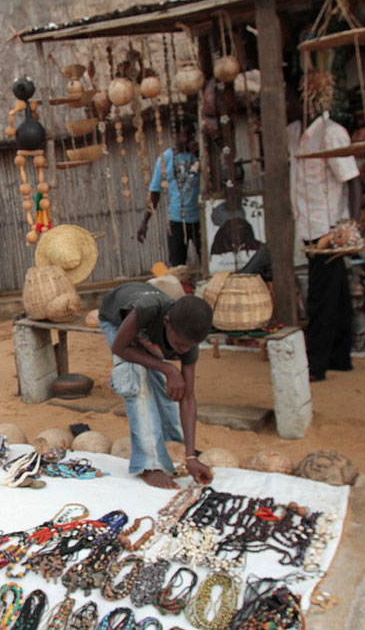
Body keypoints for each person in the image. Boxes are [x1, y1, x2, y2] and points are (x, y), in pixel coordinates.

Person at [98, 284, 214, 489]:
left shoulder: (186, 336)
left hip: (147, 327)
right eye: (179, 346)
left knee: (173, 386)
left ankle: (171, 445)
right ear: (167, 322)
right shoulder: (147, 309)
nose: (184, 350)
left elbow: (188, 397)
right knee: (136, 376)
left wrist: (190, 455)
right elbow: (120, 347)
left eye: (189, 347)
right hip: (117, 320)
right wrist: (168, 369)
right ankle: (149, 465)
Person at [286, 80, 361, 381]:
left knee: (320, 297)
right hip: (308, 226)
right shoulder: (294, 134)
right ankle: (340, 357)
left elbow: (352, 180)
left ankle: (316, 364)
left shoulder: (331, 133)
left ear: (306, 101)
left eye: (288, 99)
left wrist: (352, 225)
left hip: (329, 229)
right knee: (337, 294)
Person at [138, 127, 202, 266]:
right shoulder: (166, 158)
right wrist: (145, 222)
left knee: (209, 262)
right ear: (175, 136)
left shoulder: (200, 155)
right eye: (183, 136)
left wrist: (198, 154)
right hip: (177, 221)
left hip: (200, 220)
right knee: (178, 266)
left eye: (190, 137)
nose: (186, 140)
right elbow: (155, 192)